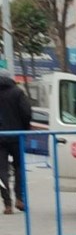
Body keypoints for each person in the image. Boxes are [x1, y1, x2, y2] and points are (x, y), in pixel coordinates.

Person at [0, 68, 32, 215]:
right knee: (19, 167)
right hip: (17, 135)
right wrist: (25, 129)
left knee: (2, 171)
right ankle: (20, 198)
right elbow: (26, 113)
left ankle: (7, 204)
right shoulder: (17, 92)